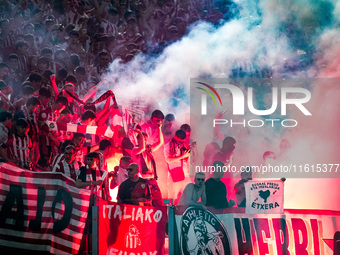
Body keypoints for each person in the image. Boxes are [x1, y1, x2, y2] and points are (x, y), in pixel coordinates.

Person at [164, 129, 191, 203]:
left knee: (190, 196)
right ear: (176, 137)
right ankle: (168, 213)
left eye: (183, 140)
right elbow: (168, 160)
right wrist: (182, 156)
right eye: (180, 139)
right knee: (171, 200)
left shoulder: (185, 146)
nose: (182, 141)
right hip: (174, 175)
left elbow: (188, 160)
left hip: (185, 175)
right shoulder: (168, 146)